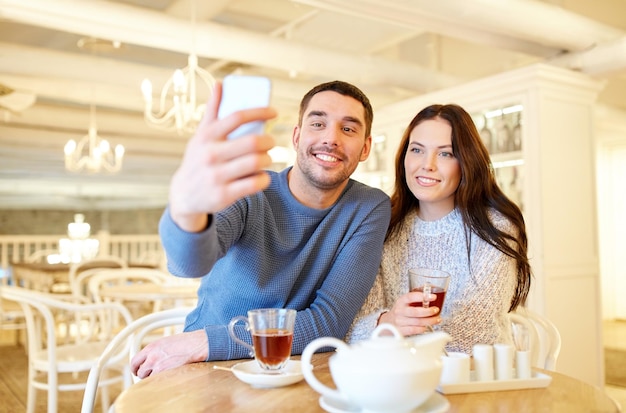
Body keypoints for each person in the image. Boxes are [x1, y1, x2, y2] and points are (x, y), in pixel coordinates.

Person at [131, 80, 391, 378]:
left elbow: (329, 322)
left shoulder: (369, 206)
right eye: (318, 123)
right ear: (296, 136)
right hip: (206, 365)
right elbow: (188, 265)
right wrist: (186, 209)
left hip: (285, 367)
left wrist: (206, 341)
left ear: (366, 147)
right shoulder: (250, 189)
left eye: (348, 129)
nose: (331, 138)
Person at [345, 103, 531, 353]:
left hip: (477, 378)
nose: (427, 164)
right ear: (404, 158)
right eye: (417, 150)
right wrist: (388, 322)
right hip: (400, 377)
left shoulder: (494, 228)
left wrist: (391, 329)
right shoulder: (384, 224)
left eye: (445, 153)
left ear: (466, 162)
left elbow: (475, 332)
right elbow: (354, 328)